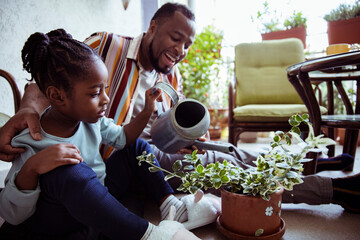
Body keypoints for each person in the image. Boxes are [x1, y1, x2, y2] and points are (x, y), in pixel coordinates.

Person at [0, 2, 359, 214]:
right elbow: (45, 75)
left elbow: (162, 138)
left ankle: (317, 171)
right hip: (104, 164)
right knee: (222, 166)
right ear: (153, 26)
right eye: (176, 38)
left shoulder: (171, 81)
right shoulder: (104, 45)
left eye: (188, 44)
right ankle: (331, 189)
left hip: (143, 157)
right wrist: (26, 110)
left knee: (226, 152)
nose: (182, 50)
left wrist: (186, 137)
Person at [0, 29, 220, 239]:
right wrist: (32, 167)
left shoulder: (91, 121)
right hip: (61, 217)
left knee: (138, 148)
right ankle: (149, 235)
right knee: (68, 172)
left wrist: (146, 111)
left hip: (99, 196)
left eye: (105, 89)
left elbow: (124, 137)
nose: (105, 99)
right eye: (96, 93)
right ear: (57, 97)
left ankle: (170, 204)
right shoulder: (29, 140)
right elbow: (13, 215)